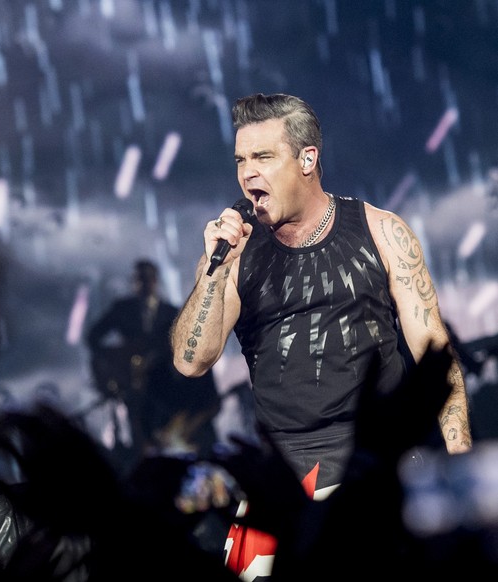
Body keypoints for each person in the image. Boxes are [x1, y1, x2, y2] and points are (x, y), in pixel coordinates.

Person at [169, 92, 472, 579]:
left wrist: (458, 464)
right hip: (282, 477)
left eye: (263, 157)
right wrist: (215, 269)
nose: (248, 173)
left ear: (307, 158)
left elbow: (435, 351)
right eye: (241, 160)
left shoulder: (380, 230)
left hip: (376, 464)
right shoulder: (234, 256)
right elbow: (190, 361)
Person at [87, 259, 221, 471]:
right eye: (139, 278)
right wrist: (116, 362)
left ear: (155, 281)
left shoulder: (171, 312)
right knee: (141, 438)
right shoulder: (122, 309)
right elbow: (93, 337)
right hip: (134, 387)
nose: (143, 283)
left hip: (164, 386)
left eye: (147, 278)